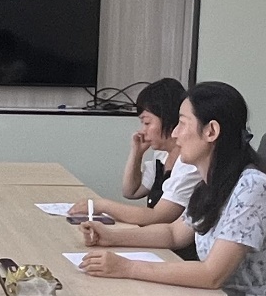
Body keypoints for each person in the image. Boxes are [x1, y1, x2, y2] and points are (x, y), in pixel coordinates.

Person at [77, 81, 266, 296]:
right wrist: (110, 237)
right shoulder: (212, 182)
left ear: (211, 131)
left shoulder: (252, 187)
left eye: (182, 123)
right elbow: (174, 233)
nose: (175, 134)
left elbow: (212, 274)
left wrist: (127, 267)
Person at [65, 78, 200, 227]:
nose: (143, 130)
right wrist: (137, 153)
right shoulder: (162, 156)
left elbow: (158, 216)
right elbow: (131, 192)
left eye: (147, 122)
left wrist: (102, 205)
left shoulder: (189, 163)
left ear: (168, 118)